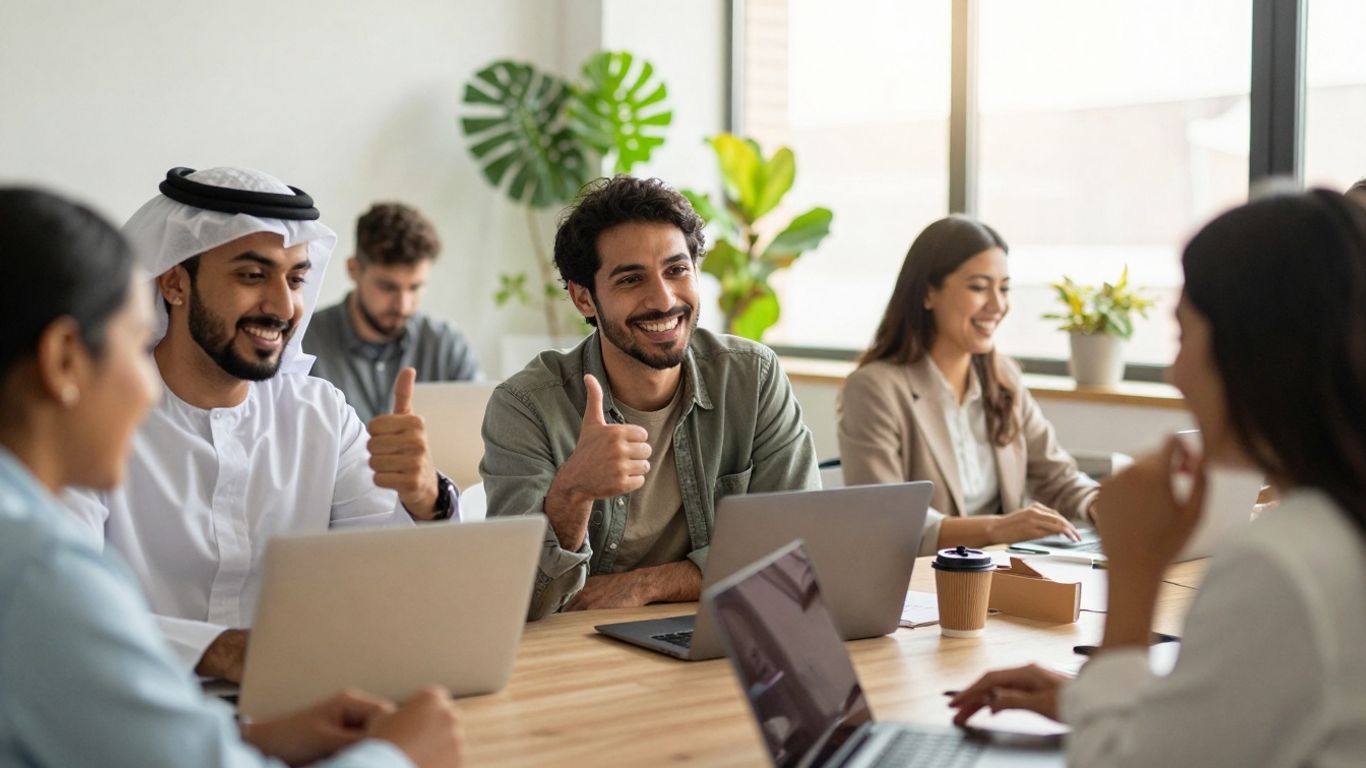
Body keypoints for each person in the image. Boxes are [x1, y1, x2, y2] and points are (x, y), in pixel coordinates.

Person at [0, 187, 463, 768]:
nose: (284, 306)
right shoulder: (40, 566)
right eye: (251, 274)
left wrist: (424, 497)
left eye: (297, 279)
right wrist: (397, 755)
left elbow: (396, 581)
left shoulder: (319, 411)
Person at [948, 190, 1366, 766]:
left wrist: (1135, 570)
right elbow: (1243, 723)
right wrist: (1090, 700)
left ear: (1253, 350)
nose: (1175, 373)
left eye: (1182, 335)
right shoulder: (1337, 534)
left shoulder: (1279, 566)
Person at [481, 175, 820, 620]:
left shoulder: (751, 377)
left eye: (677, 270)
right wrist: (573, 491)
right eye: (630, 279)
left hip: (716, 629)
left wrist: (647, 585)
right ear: (584, 299)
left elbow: (796, 548)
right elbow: (520, 599)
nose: (663, 300)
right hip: (579, 645)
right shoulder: (526, 406)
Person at [837, 215, 1096, 555]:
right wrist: (998, 528)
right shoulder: (875, 388)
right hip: (926, 578)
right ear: (928, 293)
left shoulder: (1004, 378)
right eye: (978, 287)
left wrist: (1099, 505)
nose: (998, 305)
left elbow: (1057, 477)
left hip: (1004, 571)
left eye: (1004, 289)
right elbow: (887, 518)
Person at [306, 202, 480, 423]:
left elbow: (478, 432)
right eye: (388, 287)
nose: (403, 306)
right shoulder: (303, 343)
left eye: (415, 287)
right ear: (353, 270)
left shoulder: (447, 346)